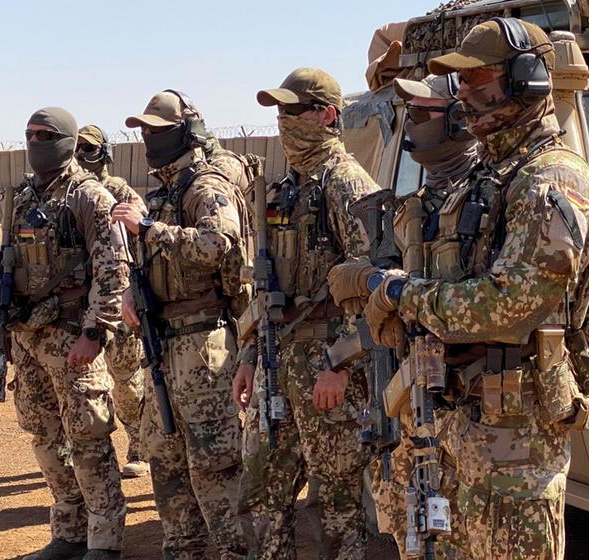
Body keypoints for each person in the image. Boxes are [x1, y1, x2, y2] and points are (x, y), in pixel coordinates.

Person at [340, 18, 589, 559]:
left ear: (526, 78)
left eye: (478, 77)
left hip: (515, 442)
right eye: (460, 81)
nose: (464, 92)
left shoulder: (551, 179)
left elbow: (504, 305)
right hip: (458, 426)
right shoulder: (486, 177)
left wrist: (397, 292)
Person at [231, 67, 378, 559]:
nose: (283, 120)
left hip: (327, 363)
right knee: (264, 489)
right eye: (280, 112)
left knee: (337, 500)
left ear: (326, 115)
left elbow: (377, 283)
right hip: (277, 362)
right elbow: (264, 285)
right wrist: (249, 355)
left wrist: (340, 362)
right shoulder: (280, 188)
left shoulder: (346, 184)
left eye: (293, 110)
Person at [0, 107, 128, 560]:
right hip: (27, 340)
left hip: (72, 338)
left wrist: (95, 332)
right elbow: (4, 268)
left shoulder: (89, 196)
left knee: (87, 437)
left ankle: (103, 542)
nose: (34, 140)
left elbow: (114, 269)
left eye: (44, 134)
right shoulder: (22, 197)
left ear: (65, 140)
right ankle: (68, 532)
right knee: (44, 438)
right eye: (28, 134)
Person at [338, 73, 478, 558]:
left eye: (421, 113)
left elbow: (475, 304)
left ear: (459, 119)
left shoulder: (487, 199)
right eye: (407, 114)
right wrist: (369, 282)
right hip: (412, 398)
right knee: (410, 532)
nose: (411, 125)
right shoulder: (413, 209)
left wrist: (389, 288)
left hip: (465, 404)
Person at [112, 90, 249, 560]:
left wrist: (149, 229)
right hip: (163, 345)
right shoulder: (165, 189)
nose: (148, 138)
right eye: (144, 131)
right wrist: (134, 291)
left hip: (202, 342)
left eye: (157, 130)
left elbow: (218, 245)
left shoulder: (204, 186)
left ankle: (235, 552)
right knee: (166, 462)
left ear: (186, 132)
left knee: (214, 465)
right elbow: (152, 262)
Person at [74, 124, 149, 479]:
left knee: (126, 380)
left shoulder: (118, 192)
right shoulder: (69, 193)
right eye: (74, 149)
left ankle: (139, 442)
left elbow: (138, 240)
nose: (79, 156)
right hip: (84, 302)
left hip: (119, 301)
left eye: (87, 149)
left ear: (103, 153)